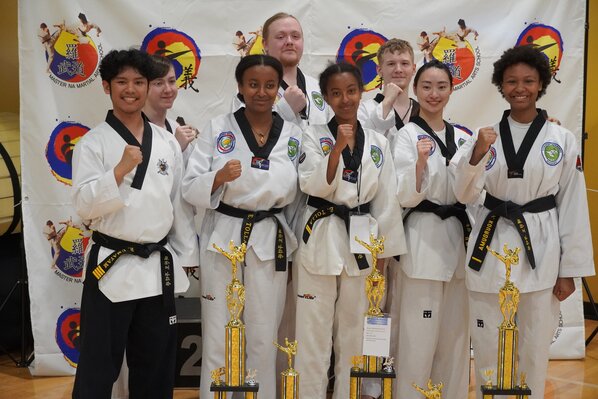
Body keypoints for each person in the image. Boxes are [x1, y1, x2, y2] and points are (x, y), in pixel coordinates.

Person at [451, 45, 594, 399]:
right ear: (501, 84)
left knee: (533, 345)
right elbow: (463, 194)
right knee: (487, 344)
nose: (520, 88)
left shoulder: (561, 139)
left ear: (541, 83)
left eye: (528, 80)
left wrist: (569, 270)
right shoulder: (483, 136)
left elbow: (573, 205)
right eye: (511, 81)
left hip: (540, 249)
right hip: (491, 242)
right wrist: (476, 155)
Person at [71, 49, 199, 399]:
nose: (131, 89)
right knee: (99, 366)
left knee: (156, 366)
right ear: (106, 87)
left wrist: (187, 253)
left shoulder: (166, 142)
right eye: (122, 82)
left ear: (148, 87)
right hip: (111, 269)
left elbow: (177, 204)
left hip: (156, 268)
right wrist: (118, 171)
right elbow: (83, 207)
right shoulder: (93, 143)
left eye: (139, 82)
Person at [182, 54, 302, 399]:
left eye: (269, 85)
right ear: (240, 87)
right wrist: (217, 177)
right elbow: (189, 187)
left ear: (279, 88)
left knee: (264, 334)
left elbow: (297, 199)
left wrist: (291, 250)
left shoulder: (293, 135)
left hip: (270, 236)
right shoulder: (218, 128)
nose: (261, 92)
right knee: (219, 330)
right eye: (253, 84)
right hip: (224, 234)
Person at [294, 62, 407, 399]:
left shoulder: (376, 141)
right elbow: (311, 184)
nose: (345, 99)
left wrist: (384, 253)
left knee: (355, 332)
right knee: (312, 334)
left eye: (351, 91)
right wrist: (337, 151)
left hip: (361, 237)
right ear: (326, 97)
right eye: (336, 93)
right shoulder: (312, 135)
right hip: (321, 232)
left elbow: (386, 199)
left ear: (361, 91)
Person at [387, 60, 471, 399]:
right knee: (416, 340)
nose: (434, 94)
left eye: (441, 86)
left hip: (458, 242)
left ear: (451, 90)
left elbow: (474, 191)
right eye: (426, 87)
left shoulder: (464, 137)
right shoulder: (405, 135)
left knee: (454, 340)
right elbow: (403, 194)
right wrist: (421, 164)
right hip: (420, 240)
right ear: (415, 90)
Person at [233, 12, 331, 128]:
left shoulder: (318, 88)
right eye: (280, 37)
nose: (289, 41)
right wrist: (285, 111)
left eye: (295, 36)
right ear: (265, 44)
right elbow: (241, 135)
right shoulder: (251, 89)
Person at [358, 38, 419, 137]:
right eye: (391, 64)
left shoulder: (422, 111)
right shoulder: (365, 110)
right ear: (379, 70)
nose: (398, 69)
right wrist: (386, 103)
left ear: (413, 69)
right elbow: (362, 146)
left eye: (404, 63)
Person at [143, 55, 198, 163]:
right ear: (143, 86)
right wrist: (176, 147)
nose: (168, 89)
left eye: (172, 81)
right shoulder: (134, 129)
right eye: (159, 83)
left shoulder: (175, 128)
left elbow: (190, 175)